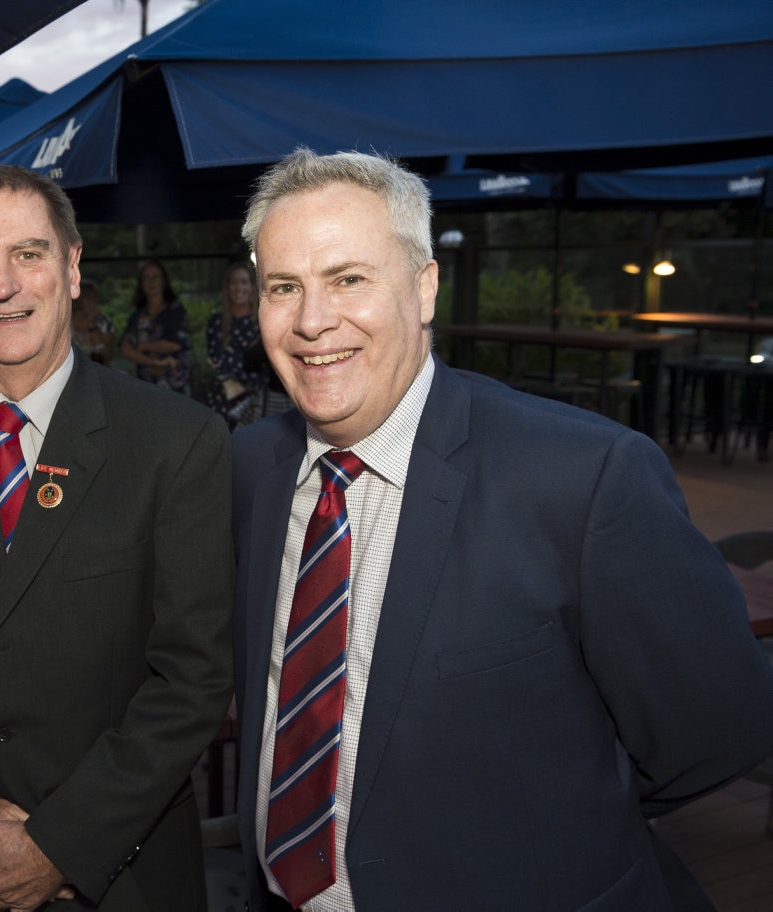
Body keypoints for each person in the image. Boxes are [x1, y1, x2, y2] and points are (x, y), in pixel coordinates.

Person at [230, 147, 773, 911]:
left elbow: (719, 730)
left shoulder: (583, 477)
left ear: (424, 288)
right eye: (285, 287)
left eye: (349, 278)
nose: (313, 320)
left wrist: (541, 834)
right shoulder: (249, 468)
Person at [0, 164, 234, 911]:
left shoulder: (176, 442)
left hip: (122, 876)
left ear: (73, 267)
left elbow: (193, 678)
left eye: (27, 254)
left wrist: (62, 842)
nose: (2, 285)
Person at [206, 262, 265, 429]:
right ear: (227, 287)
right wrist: (251, 355)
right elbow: (218, 362)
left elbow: (267, 361)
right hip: (223, 398)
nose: (239, 287)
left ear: (252, 286)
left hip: (256, 401)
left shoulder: (263, 320)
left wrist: (236, 357)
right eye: (234, 282)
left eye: (244, 282)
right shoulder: (216, 322)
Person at [120, 259, 192, 394]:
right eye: (146, 277)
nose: (151, 281)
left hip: (175, 385)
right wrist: (155, 362)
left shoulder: (176, 310)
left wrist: (143, 346)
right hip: (146, 386)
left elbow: (175, 344)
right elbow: (125, 349)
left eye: (155, 277)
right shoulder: (137, 316)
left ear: (164, 281)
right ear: (141, 284)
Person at [71, 279, 115, 365]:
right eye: (89, 298)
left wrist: (92, 324)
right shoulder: (64, 321)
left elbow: (105, 355)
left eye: (95, 297)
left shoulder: (104, 322)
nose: (93, 302)